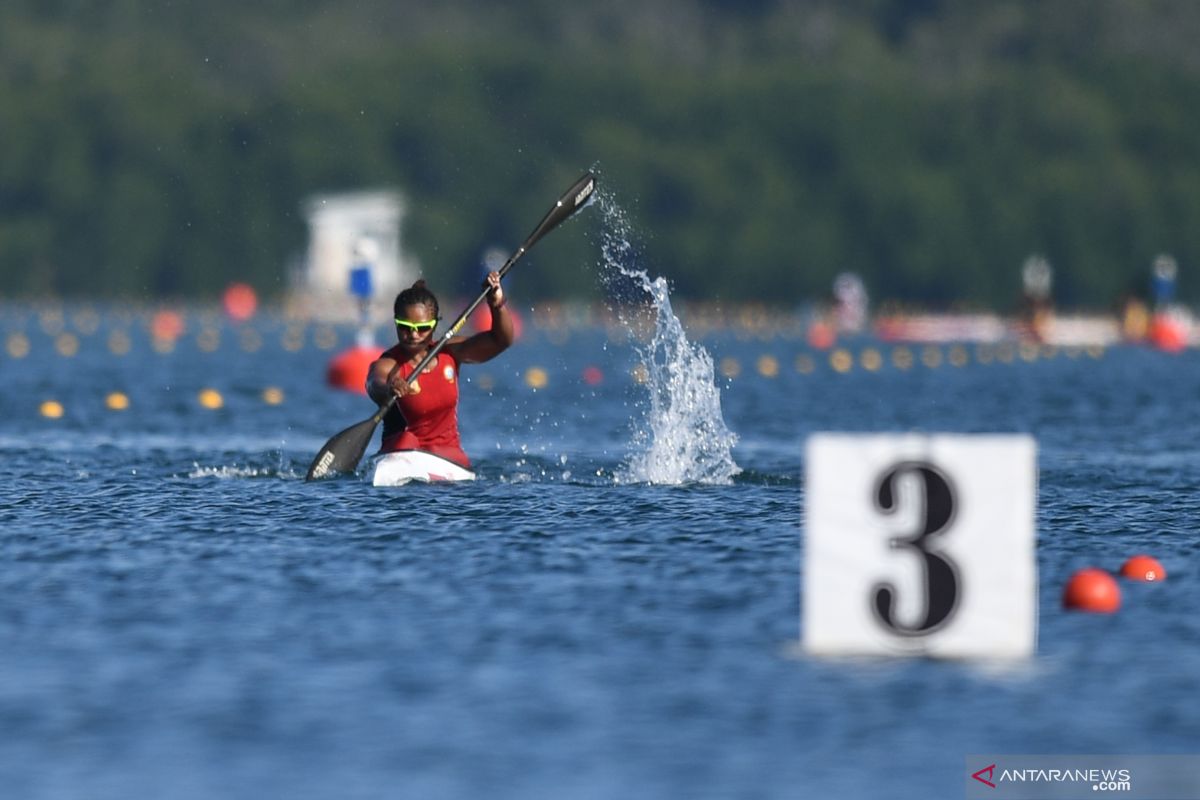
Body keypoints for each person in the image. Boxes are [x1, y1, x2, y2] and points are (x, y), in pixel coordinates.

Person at [365, 271, 513, 468]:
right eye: (405, 327)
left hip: (448, 456)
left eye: (423, 327)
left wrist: (497, 304)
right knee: (405, 440)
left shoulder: (451, 352)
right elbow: (374, 382)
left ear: (434, 325)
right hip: (400, 452)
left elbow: (500, 340)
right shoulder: (390, 364)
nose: (414, 334)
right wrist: (389, 388)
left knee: (439, 452)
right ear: (396, 323)